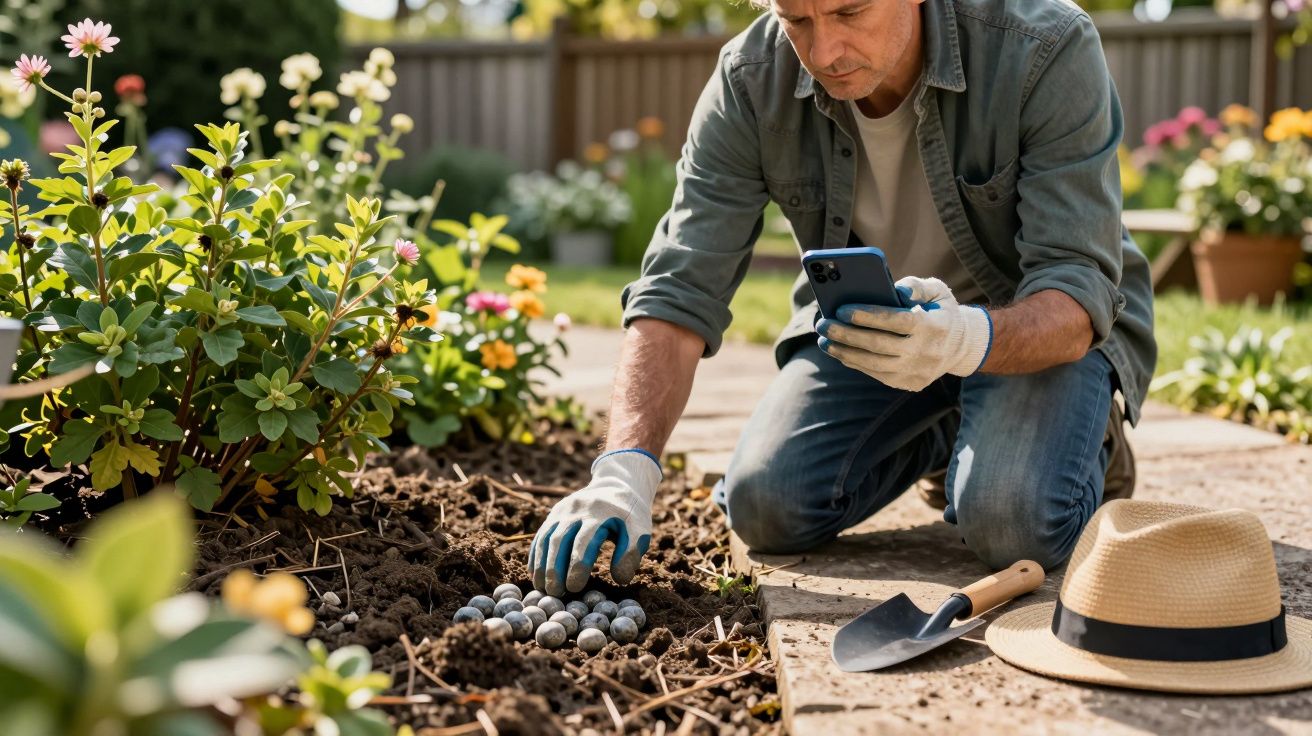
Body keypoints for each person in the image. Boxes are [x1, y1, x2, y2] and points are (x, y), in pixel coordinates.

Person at [529, 0, 1157, 597]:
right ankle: (953, 430)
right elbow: (678, 286)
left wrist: (960, 339)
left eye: (849, 12)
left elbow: (1073, 289)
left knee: (1011, 523)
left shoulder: (1044, 46)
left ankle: (1089, 437)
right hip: (875, 331)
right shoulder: (751, 79)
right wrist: (624, 469)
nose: (824, 51)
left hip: (1026, 330)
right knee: (765, 505)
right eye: (797, 18)